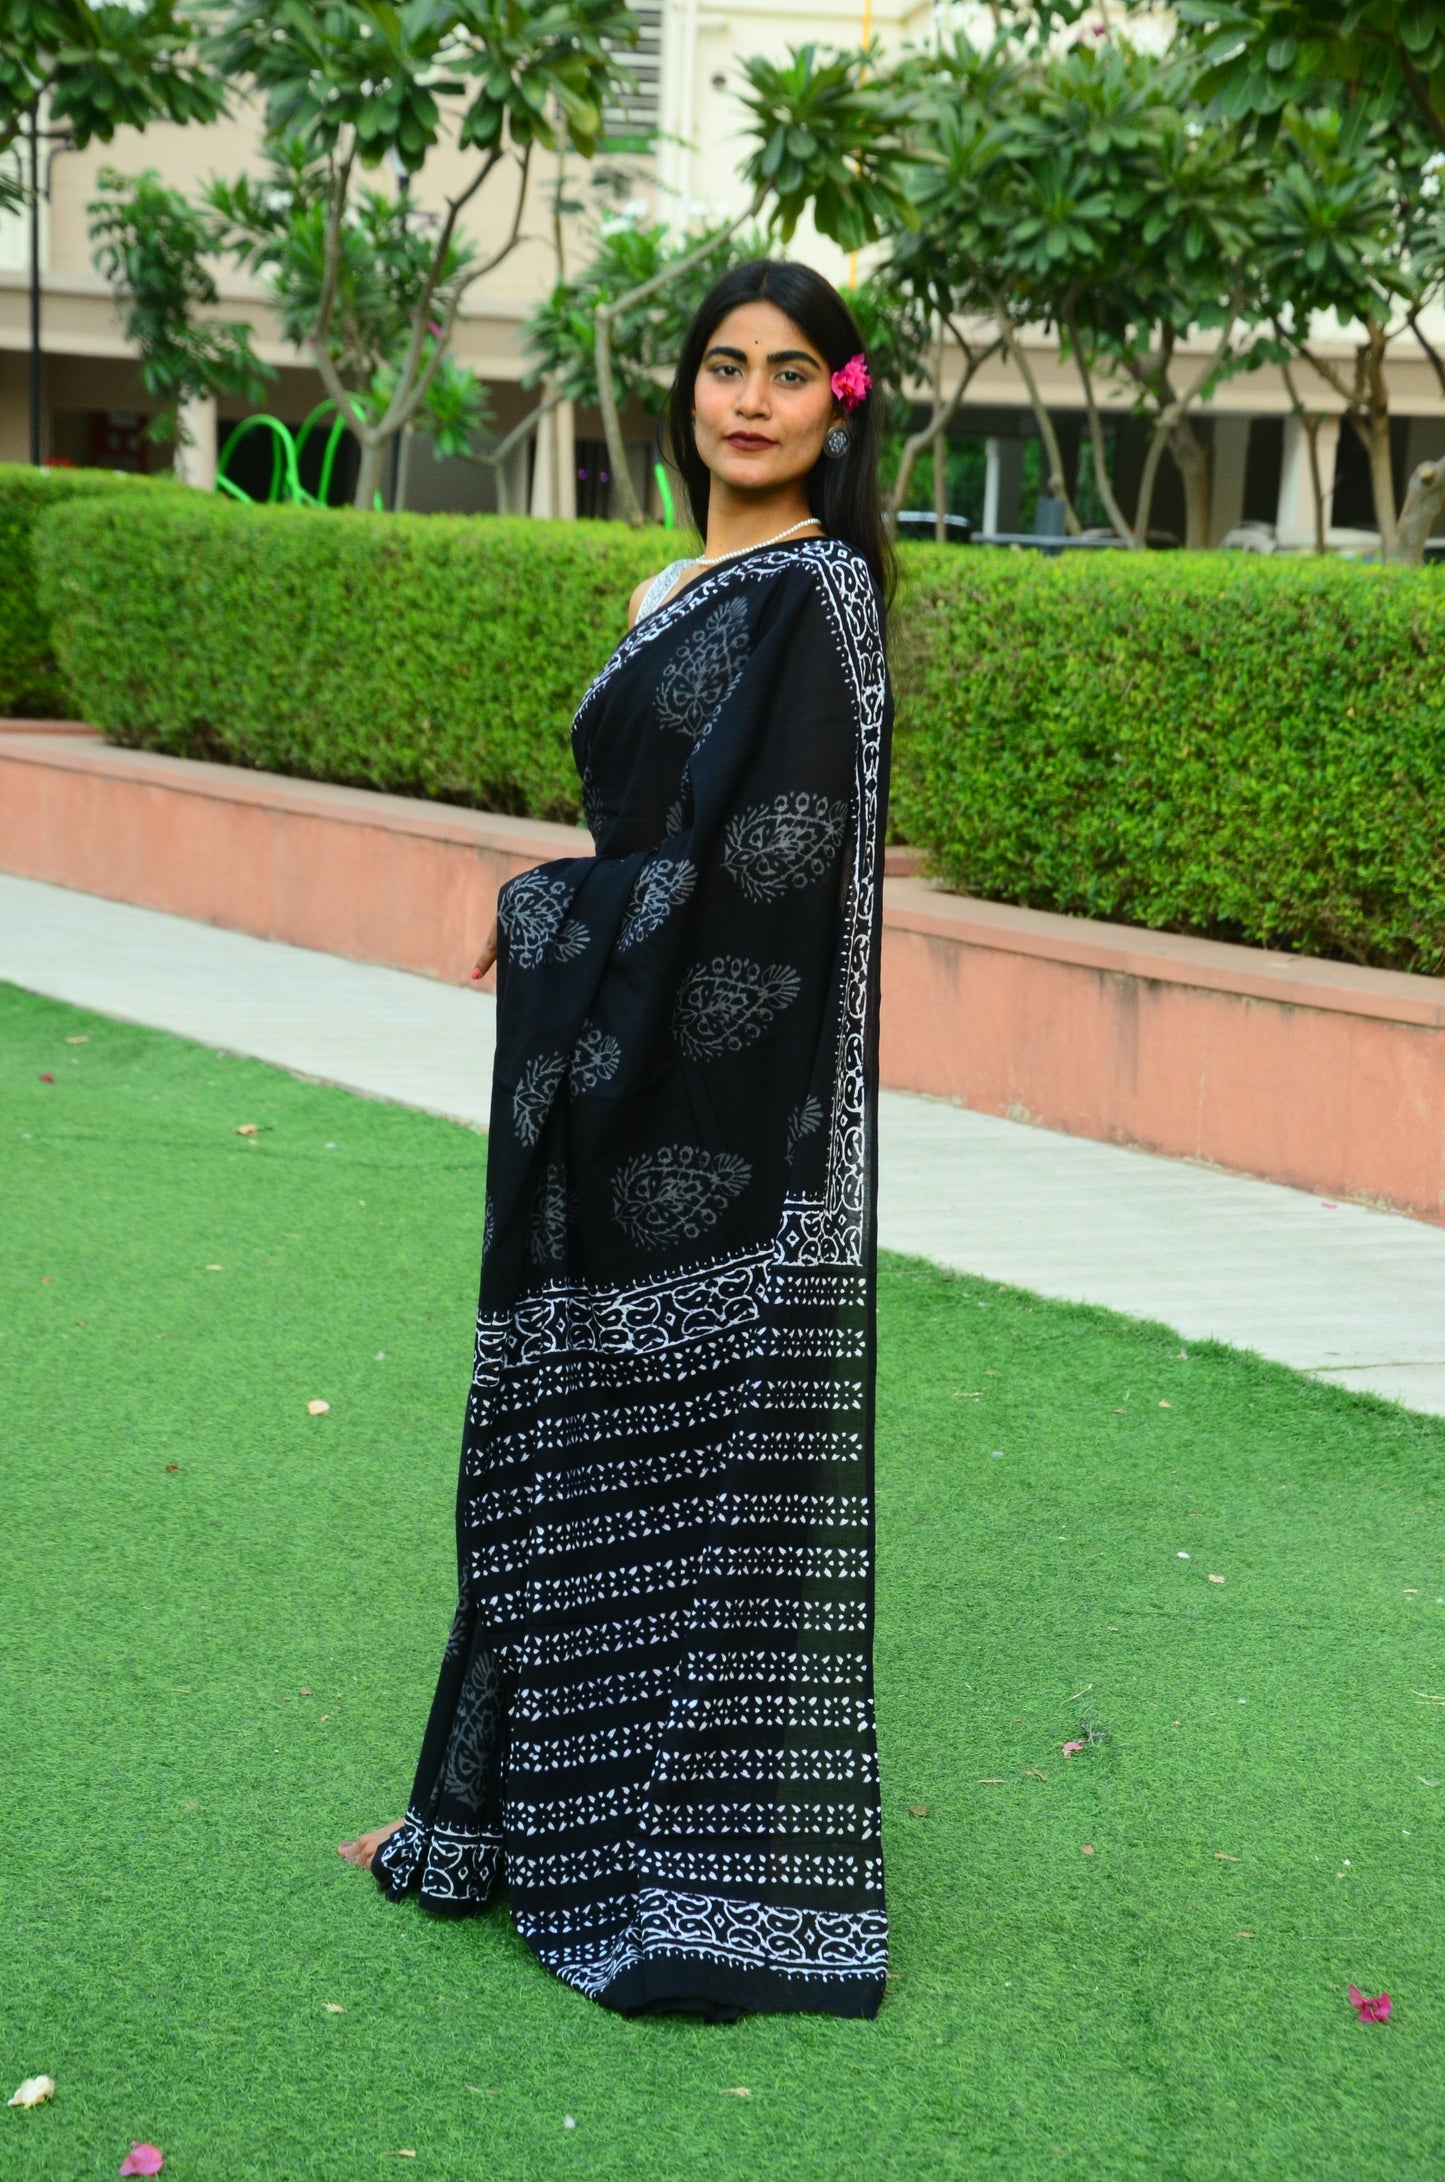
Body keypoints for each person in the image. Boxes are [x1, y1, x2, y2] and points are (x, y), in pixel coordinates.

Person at [338, 256, 896, 2022]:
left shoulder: (821, 596)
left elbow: (770, 870)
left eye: (788, 372)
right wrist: (581, 921)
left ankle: (669, 1857)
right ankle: (496, 1810)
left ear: (837, 408)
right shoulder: (668, 585)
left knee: (677, 1462)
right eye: (725, 367)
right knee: (557, 1433)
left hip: (721, 1092)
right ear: (685, 393)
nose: (750, 400)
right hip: (608, 1069)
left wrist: (551, 913)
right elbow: (654, 828)